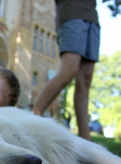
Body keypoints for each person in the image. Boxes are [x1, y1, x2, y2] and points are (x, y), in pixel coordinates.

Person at [33, 0, 100, 141]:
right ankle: (31, 120)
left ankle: (85, 139)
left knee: (85, 79)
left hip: (92, 17)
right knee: (69, 71)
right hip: (71, 14)